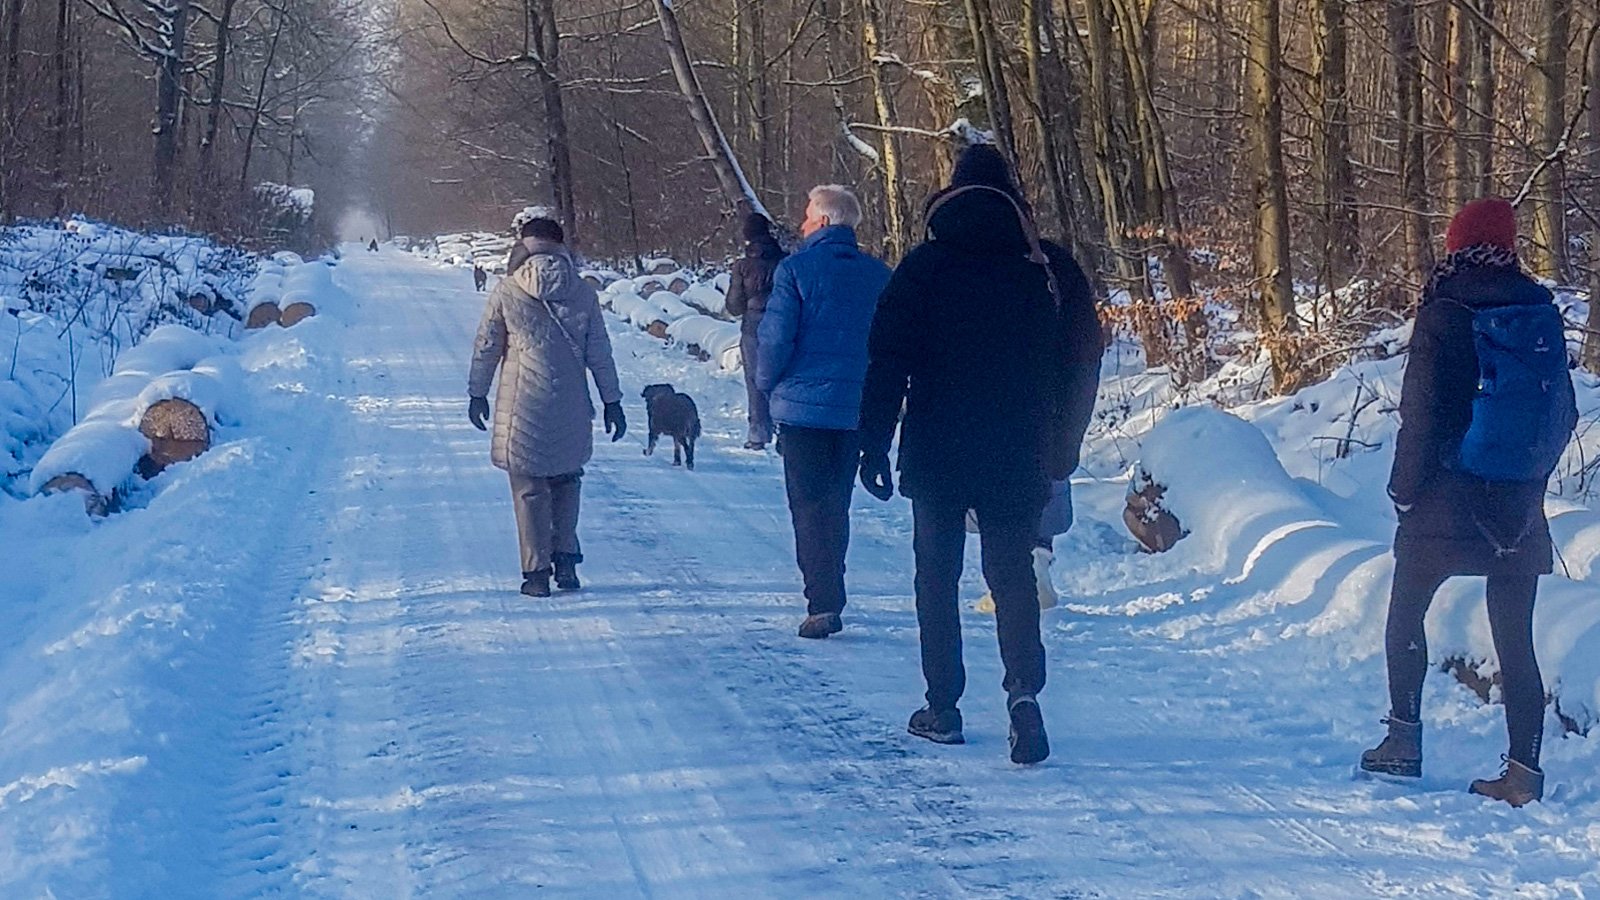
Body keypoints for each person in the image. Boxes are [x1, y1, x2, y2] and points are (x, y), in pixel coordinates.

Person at [858, 144, 1102, 764]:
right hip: (1017, 448)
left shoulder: (922, 269)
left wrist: (873, 443)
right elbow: (1081, 364)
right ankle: (1024, 697)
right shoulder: (1051, 271)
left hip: (937, 448)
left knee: (935, 576)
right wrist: (1063, 446)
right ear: (1014, 199)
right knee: (1011, 573)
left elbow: (888, 361)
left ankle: (942, 706)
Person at [1360, 198, 1576, 807]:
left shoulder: (1444, 307)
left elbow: (1420, 416)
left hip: (1445, 499)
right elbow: (1564, 411)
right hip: (1518, 501)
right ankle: (1523, 774)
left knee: (1405, 613)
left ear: (1457, 244)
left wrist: (1404, 493)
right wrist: (1530, 479)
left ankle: (1402, 742)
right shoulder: (1538, 308)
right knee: (1517, 639)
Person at [756, 186, 892, 639]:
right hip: (857, 407)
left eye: (808, 217)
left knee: (808, 507)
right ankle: (830, 588)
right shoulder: (879, 275)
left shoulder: (795, 271)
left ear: (826, 222)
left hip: (803, 410)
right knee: (837, 504)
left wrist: (765, 383)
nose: (801, 225)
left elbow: (775, 340)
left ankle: (823, 600)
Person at [469, 216, 627, 597]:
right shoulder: (583, 292)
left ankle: (536, 574)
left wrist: (477, 393)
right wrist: (612, 401)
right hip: (571, 401)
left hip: (523, 403)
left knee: (529, 488)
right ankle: (568, 564)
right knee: (567, 480)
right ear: (561, 245)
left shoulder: (507, 289)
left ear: (526, 244)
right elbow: (600, 353)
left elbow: (487, 346)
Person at [724, 213, 787, 450]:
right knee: (782, 376)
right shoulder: (786, 261)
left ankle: (758, 433)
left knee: (755, 378)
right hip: (782, 324)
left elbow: (734, 306)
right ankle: (784, 428)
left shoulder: (742, 266)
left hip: (753, 327)